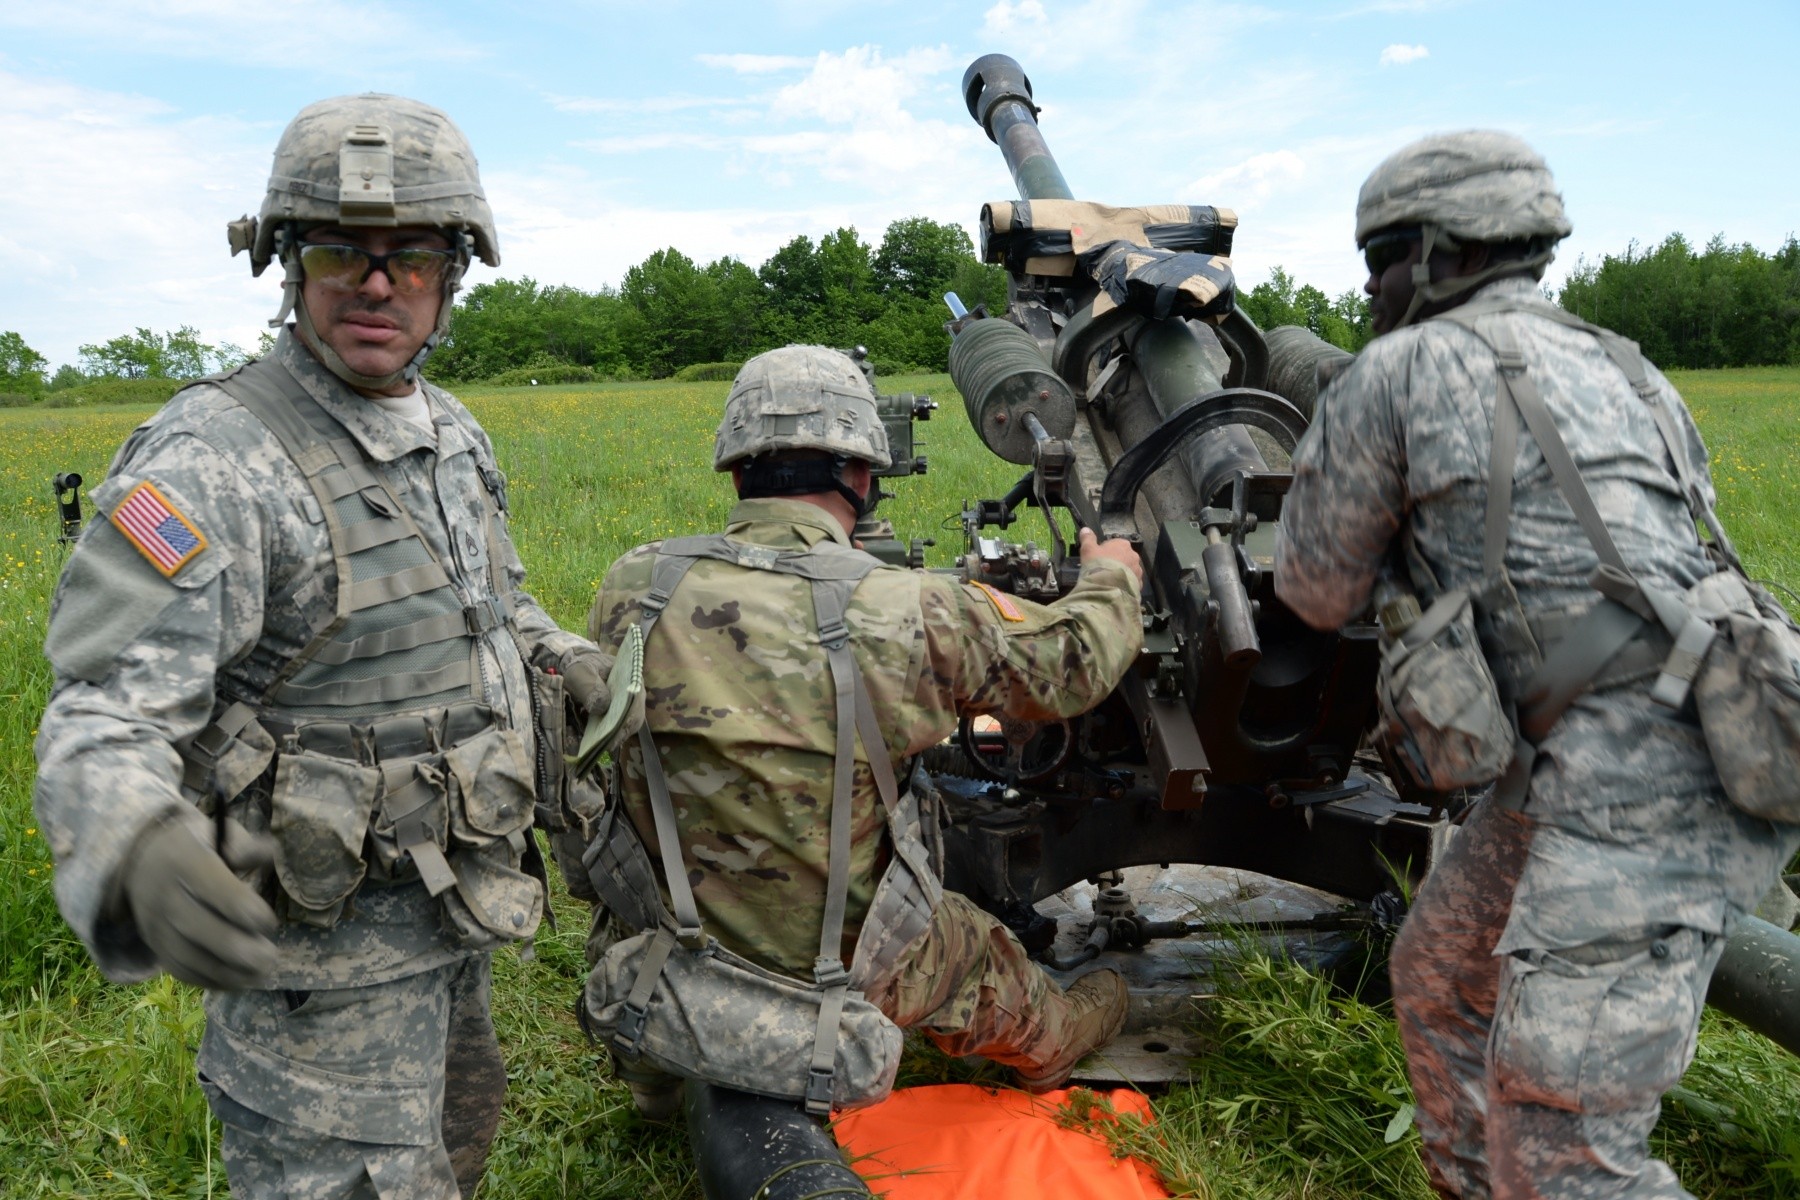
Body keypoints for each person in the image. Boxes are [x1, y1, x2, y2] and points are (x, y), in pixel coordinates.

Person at [34, 94, 610, 1199]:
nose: (378, 283)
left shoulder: (450, 431)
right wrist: (137, 842)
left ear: (456, 275)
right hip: (315, 989)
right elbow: (103, 710)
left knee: (456, 1151)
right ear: (290, 265)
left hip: (454, 919)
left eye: (415, 256)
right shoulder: (214, 458)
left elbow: (491, 607)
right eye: (344, 249)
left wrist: (564, 658)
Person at [1273, 130, 1800, 1199]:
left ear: (1429, 255)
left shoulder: (1399, 370)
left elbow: (1314, 591)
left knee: (1566, 1153)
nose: (1372, 287)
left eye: (1380, 261)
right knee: (1442, 974)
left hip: (1635, 784)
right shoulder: (1624, 362)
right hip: (1670, 724)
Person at [580, 344, 1145, 1120]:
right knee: (979, 953)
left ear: (737, 472)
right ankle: (1057, 1044)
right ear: (863, 477)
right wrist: (1114, 572)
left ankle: (661, 1077)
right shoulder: (906, 607)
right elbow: (1076, 666)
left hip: (671, 940)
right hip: (850, 960)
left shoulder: (633, 585)